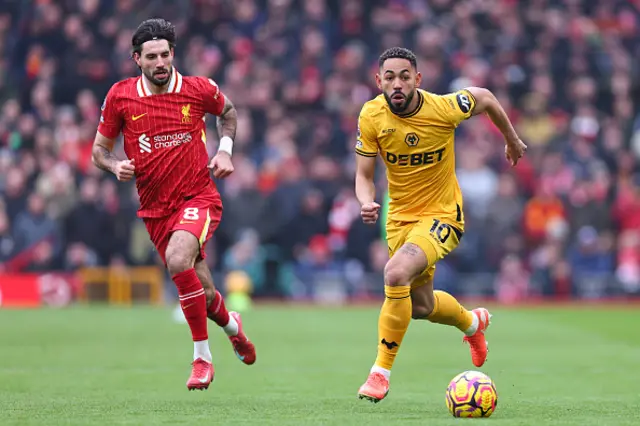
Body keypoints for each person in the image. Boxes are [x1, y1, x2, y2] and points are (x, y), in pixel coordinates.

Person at [91, 18, 256, 391]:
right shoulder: (121, 96)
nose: (161, 62)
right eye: (152, 56)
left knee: (178, 259)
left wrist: (225, 152)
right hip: (155, 210)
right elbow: (98, 151)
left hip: (199, 197)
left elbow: (229, 113)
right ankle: (233, 326)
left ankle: (202, 359)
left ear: (173, 54)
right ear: (137, 59)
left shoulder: (198, 89)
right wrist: (115, 165)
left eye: (166, 54)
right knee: (206, 292)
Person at [354, 47, 527, 403]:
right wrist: (365, 200)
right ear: (379, 81)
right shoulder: (371, 116)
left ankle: (379, 373)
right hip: (399, 218)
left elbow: (486, 97)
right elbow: (363, 174)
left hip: (442, 215)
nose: (397, 84)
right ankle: (472, 324)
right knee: (420, 306)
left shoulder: (444, 108)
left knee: (395, 273)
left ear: (418, 79)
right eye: (390, 77)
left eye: (405, 76)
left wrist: (511, 139)